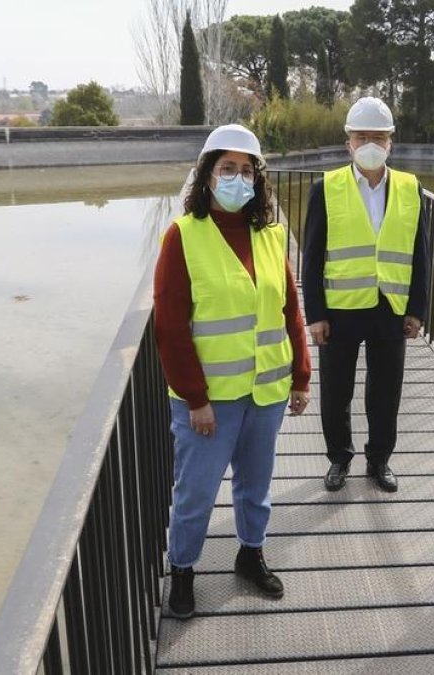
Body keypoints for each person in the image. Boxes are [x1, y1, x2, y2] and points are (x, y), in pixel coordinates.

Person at [153, 124, 312, 619]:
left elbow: (290, 309)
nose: (237, 179)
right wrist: (194, 397)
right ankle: (183, 571)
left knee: (255, 485)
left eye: (246, 170)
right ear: (206, 175)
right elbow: (171, 325)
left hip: (265, 390)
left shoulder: (270, 235)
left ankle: (250, 555)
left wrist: (302, 375)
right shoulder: (183, 236)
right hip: (210, 402)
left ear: (257, 179)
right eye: (227, 169)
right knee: (196, 493)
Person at [301, 96, 431, 493]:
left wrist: (417, 309)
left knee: (386, 391)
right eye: (363, 136)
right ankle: (339, 459)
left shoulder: (411, 188)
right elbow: (311, 255)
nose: (371, 143)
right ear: (349, 143)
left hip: (390, 307)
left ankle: (379, 461)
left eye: (379, 136)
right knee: (336, 390)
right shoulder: (326, 188)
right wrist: (316, 314)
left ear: (391, 142)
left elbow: (421, 253)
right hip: (340, 309)